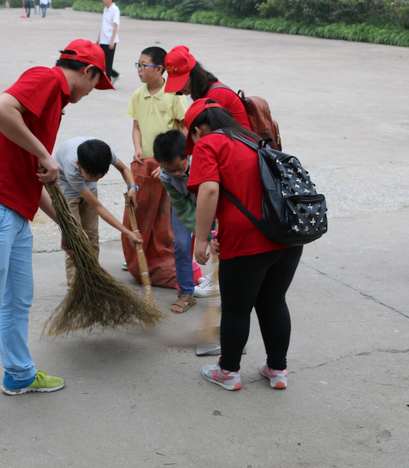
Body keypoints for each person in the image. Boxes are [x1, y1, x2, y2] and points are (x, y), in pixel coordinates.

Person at [0, 39, 114, 442]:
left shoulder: (51, 106)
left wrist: (66, 229)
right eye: (94, 85)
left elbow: (35, 178)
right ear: (87, 71)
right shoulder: (47, 80)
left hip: (14, 214)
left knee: (18, 300)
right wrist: (46, 154)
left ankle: (18, 374)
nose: (89, 94)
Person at [185, 98, 302, 391]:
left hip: (246, 240)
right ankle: (277, 370)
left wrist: (201, 238)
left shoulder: (209, 143)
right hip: (287, 235)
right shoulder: (253, 138)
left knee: (237, 309)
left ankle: (228, 372)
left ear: (199, 129)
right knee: (274, 301)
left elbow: (209, 189)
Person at [122, 46, 188, 291]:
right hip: (146, 166)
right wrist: (138, 148)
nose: (139, 70)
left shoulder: (175, 95)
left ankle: (167, 261)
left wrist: (169, 162)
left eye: (143, 65)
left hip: (167, 167)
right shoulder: (138, 95)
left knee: (165, 217)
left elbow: (185, 128)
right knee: (144, 213)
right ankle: (140, 256)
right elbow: (136, 126)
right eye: (137, 64)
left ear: (159, 69)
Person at [55, 137, 141, 285]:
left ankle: (91, 282)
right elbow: (98, 207)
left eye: (100, 177)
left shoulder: (104, 154)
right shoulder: (71, 165)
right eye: (92, 176)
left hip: (85, 185)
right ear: (79, 165)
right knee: (75, 241)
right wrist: (127, 232)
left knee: (92, 236)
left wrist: (132, 187)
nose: (96, 180)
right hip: (66, 189)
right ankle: (74, 289)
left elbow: (124, 169)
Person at [152, 130, 215, 314]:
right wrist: (203, 238)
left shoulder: (202, 163)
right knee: (181, 244)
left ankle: (229, 291)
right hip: (185, 208)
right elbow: (183, 209)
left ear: (188, 154)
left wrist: (209, 239)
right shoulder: (165, 175)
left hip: (210, 206)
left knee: (221, 245)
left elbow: (213, 195)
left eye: (180, 168)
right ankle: (186, 293)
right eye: (170, 170)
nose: (177, 174)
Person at [164, 45, 251, 131]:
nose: (179, 89)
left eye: (181, 82)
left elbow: (207, 136)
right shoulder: (206, 90)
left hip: (238, 143)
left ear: (193, 75)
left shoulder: (216, 95)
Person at [97, 0, 120, 82]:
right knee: (101, 61)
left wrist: (112, 41)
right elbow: (104, 24)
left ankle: (109, 80)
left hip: (110, 40)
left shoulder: (115, 9)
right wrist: (99, 38)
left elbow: (116, 25)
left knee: (108, 62)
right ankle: (115, 74)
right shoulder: (105, 9)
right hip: (103, 39)